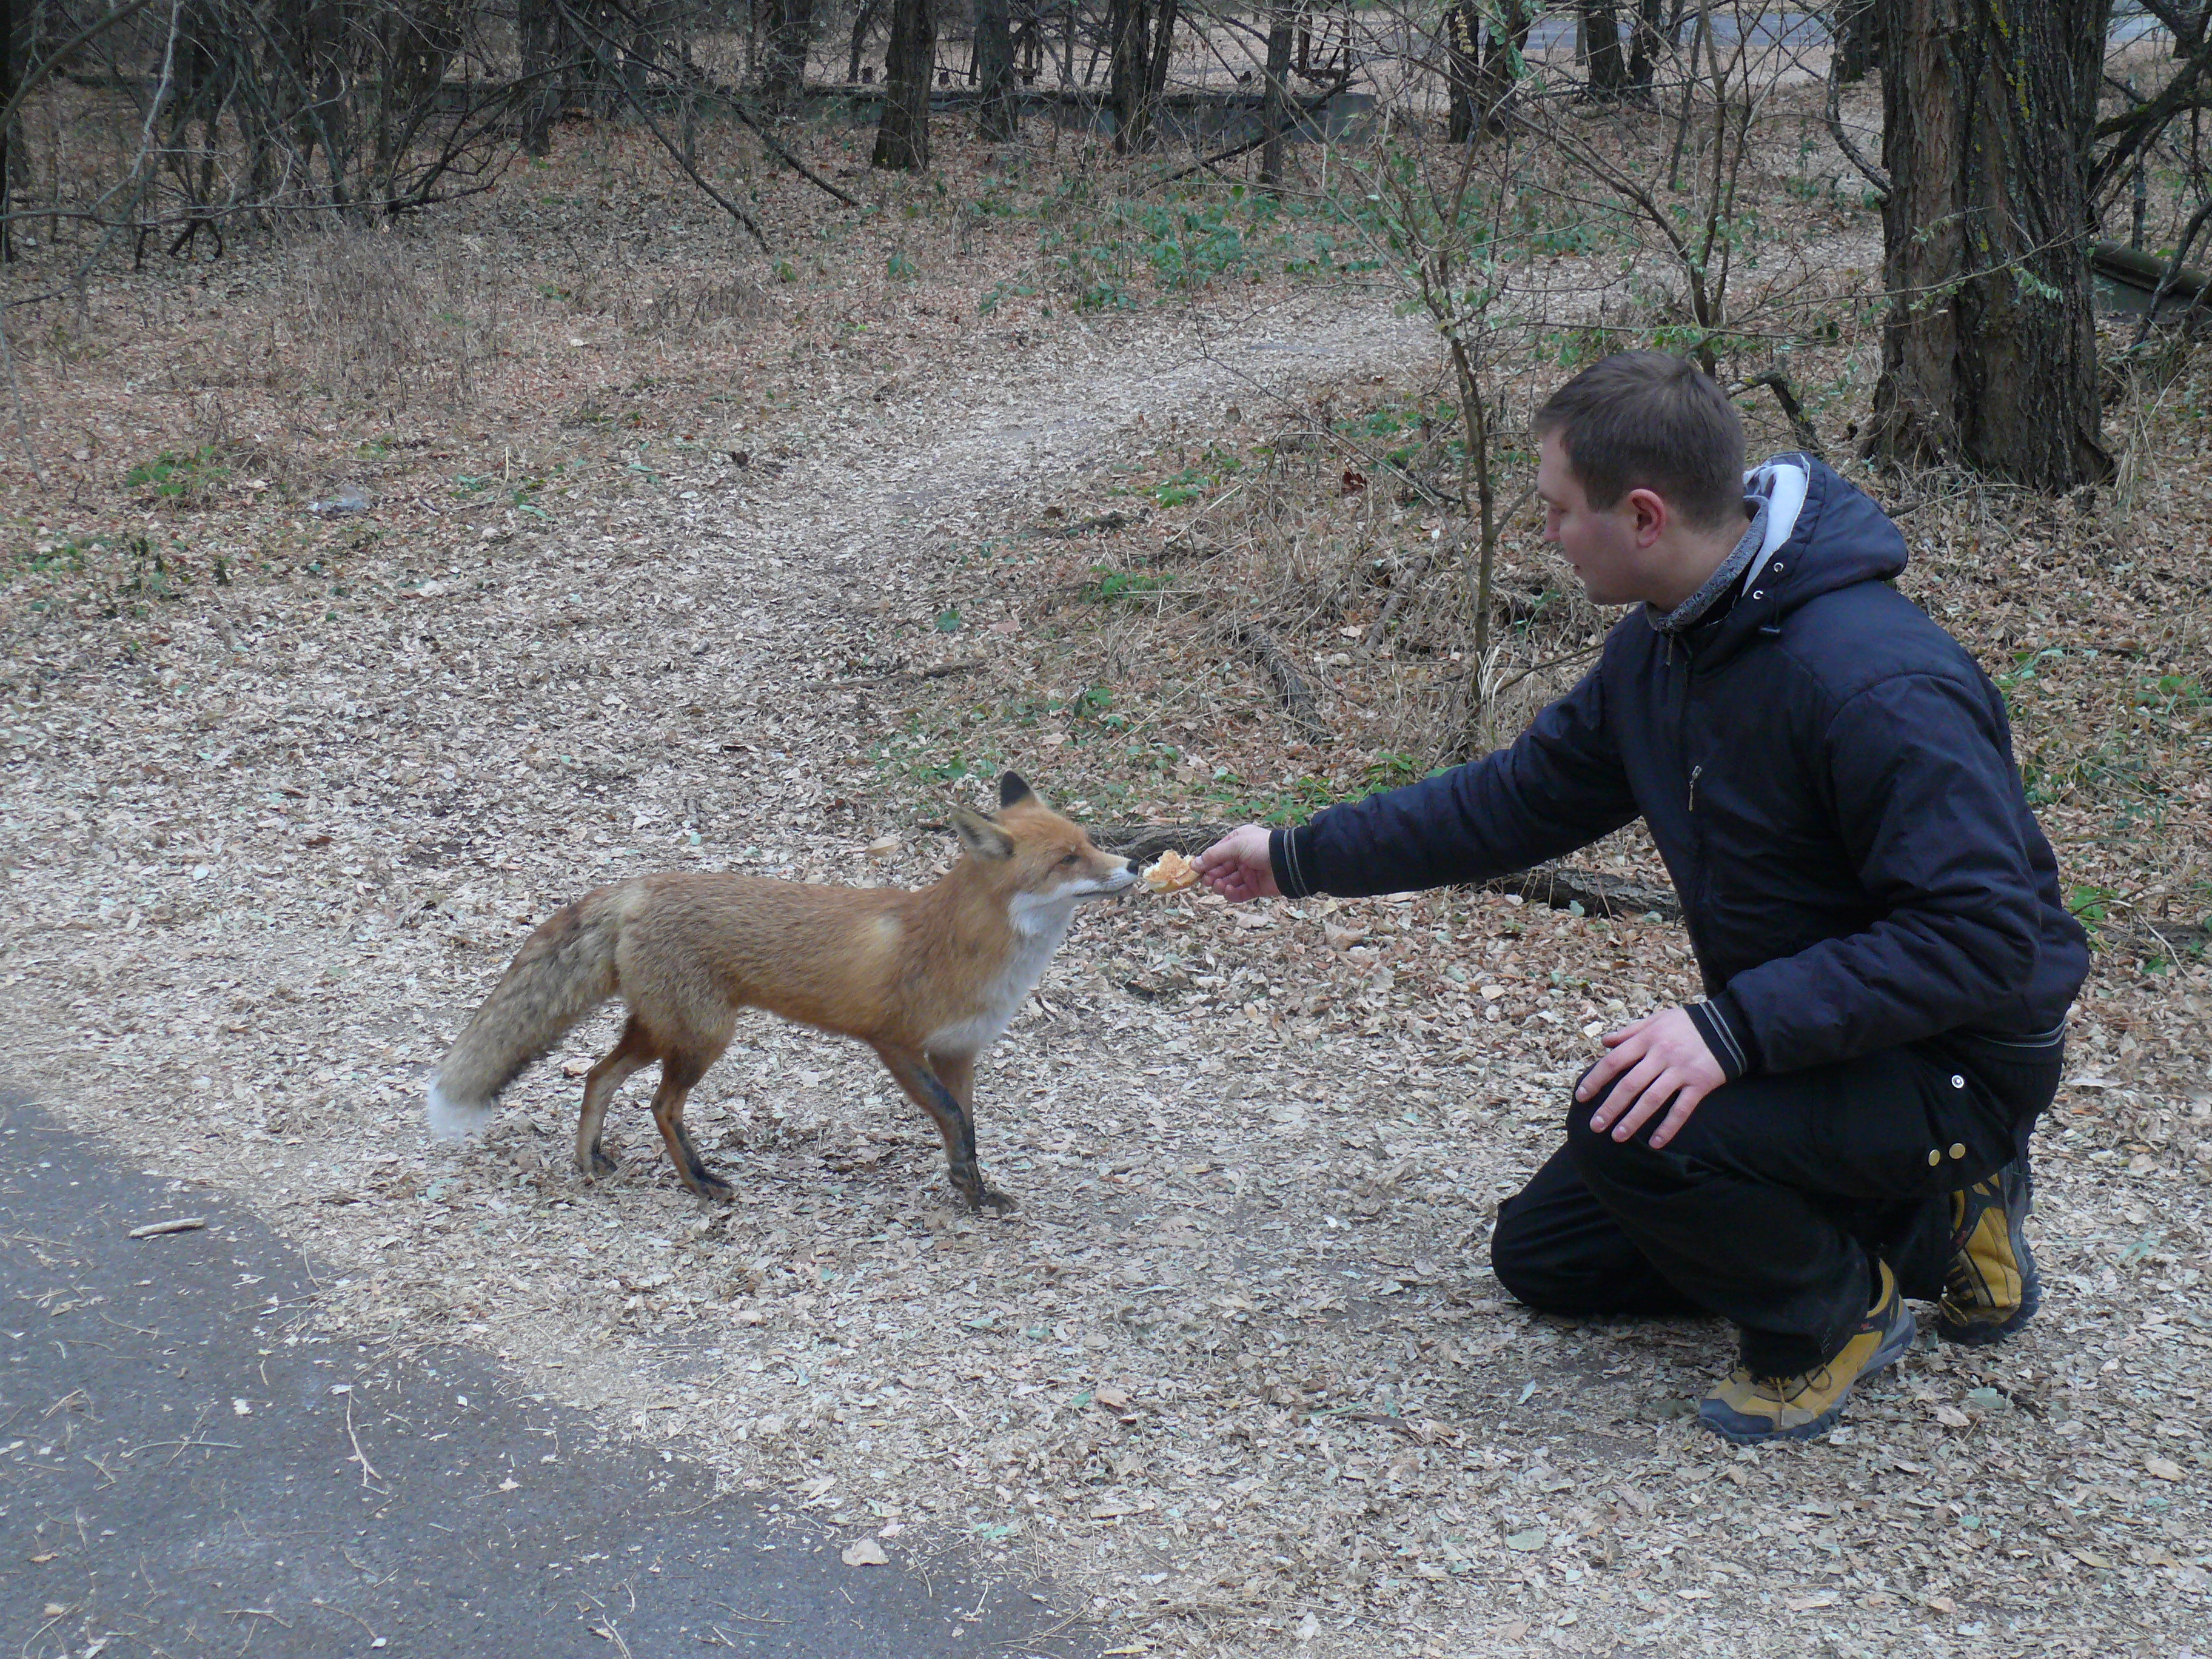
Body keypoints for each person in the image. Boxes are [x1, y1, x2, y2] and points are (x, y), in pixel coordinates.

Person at [1195, 352, 2088, 1445]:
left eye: (1561, 512)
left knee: (1627, 1130)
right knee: (1548, 1259)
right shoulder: (1669, 646)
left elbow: (1983, 938)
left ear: (1646, 516)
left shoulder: (1875, 683)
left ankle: (1835, 1316)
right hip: (1827, 1040)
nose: (1550, 536)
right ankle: (1930, 1226)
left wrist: (1732, 1030)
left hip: (1954, 1061)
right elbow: (1516, 802)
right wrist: (1295, 856)